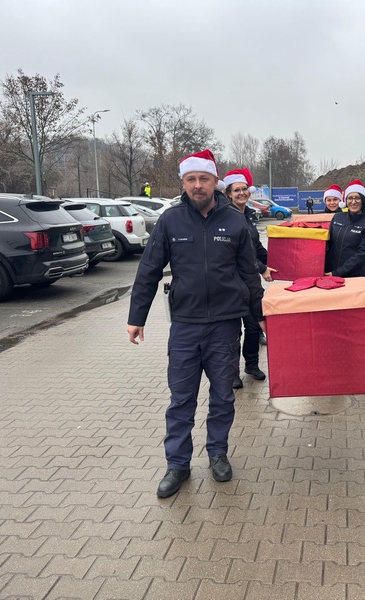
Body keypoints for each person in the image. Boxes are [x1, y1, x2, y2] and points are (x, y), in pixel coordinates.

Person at [126, 149, 265, 498]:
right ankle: (178, 464)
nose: (198, 185)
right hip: (185, 326)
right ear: (184, 182)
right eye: (191, 179)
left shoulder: (234, 221)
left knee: (223, 396)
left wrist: (262, 315)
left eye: (204, 178)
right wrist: (136, 317)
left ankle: (217, 453)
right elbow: (149, 269)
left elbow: (249, 274)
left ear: (215, 181)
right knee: (181, 399)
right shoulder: (170, 221)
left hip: (225, 325)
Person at [222, 168, 276, 389]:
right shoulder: (225, 217)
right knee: (233, 330)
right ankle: (232, 372)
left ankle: (251, 365)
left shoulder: (249, 215)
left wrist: (279, 262)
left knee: (254, 327)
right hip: (233, 281)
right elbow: (240, 254)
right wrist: (262, 268)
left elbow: (256, 247)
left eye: (244, 189)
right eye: (236, 190)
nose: (241, 193)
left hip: (251, 281)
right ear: (228, 193)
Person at [324, 180, 365, 278]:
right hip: (330, 272)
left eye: (357, 198)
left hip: (354, 275)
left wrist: (338, 273)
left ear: (363, 200)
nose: (353, 202)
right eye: (350, 198)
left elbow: (361, 255)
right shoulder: (337, 217)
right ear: (346, 201)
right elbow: (328, 244)